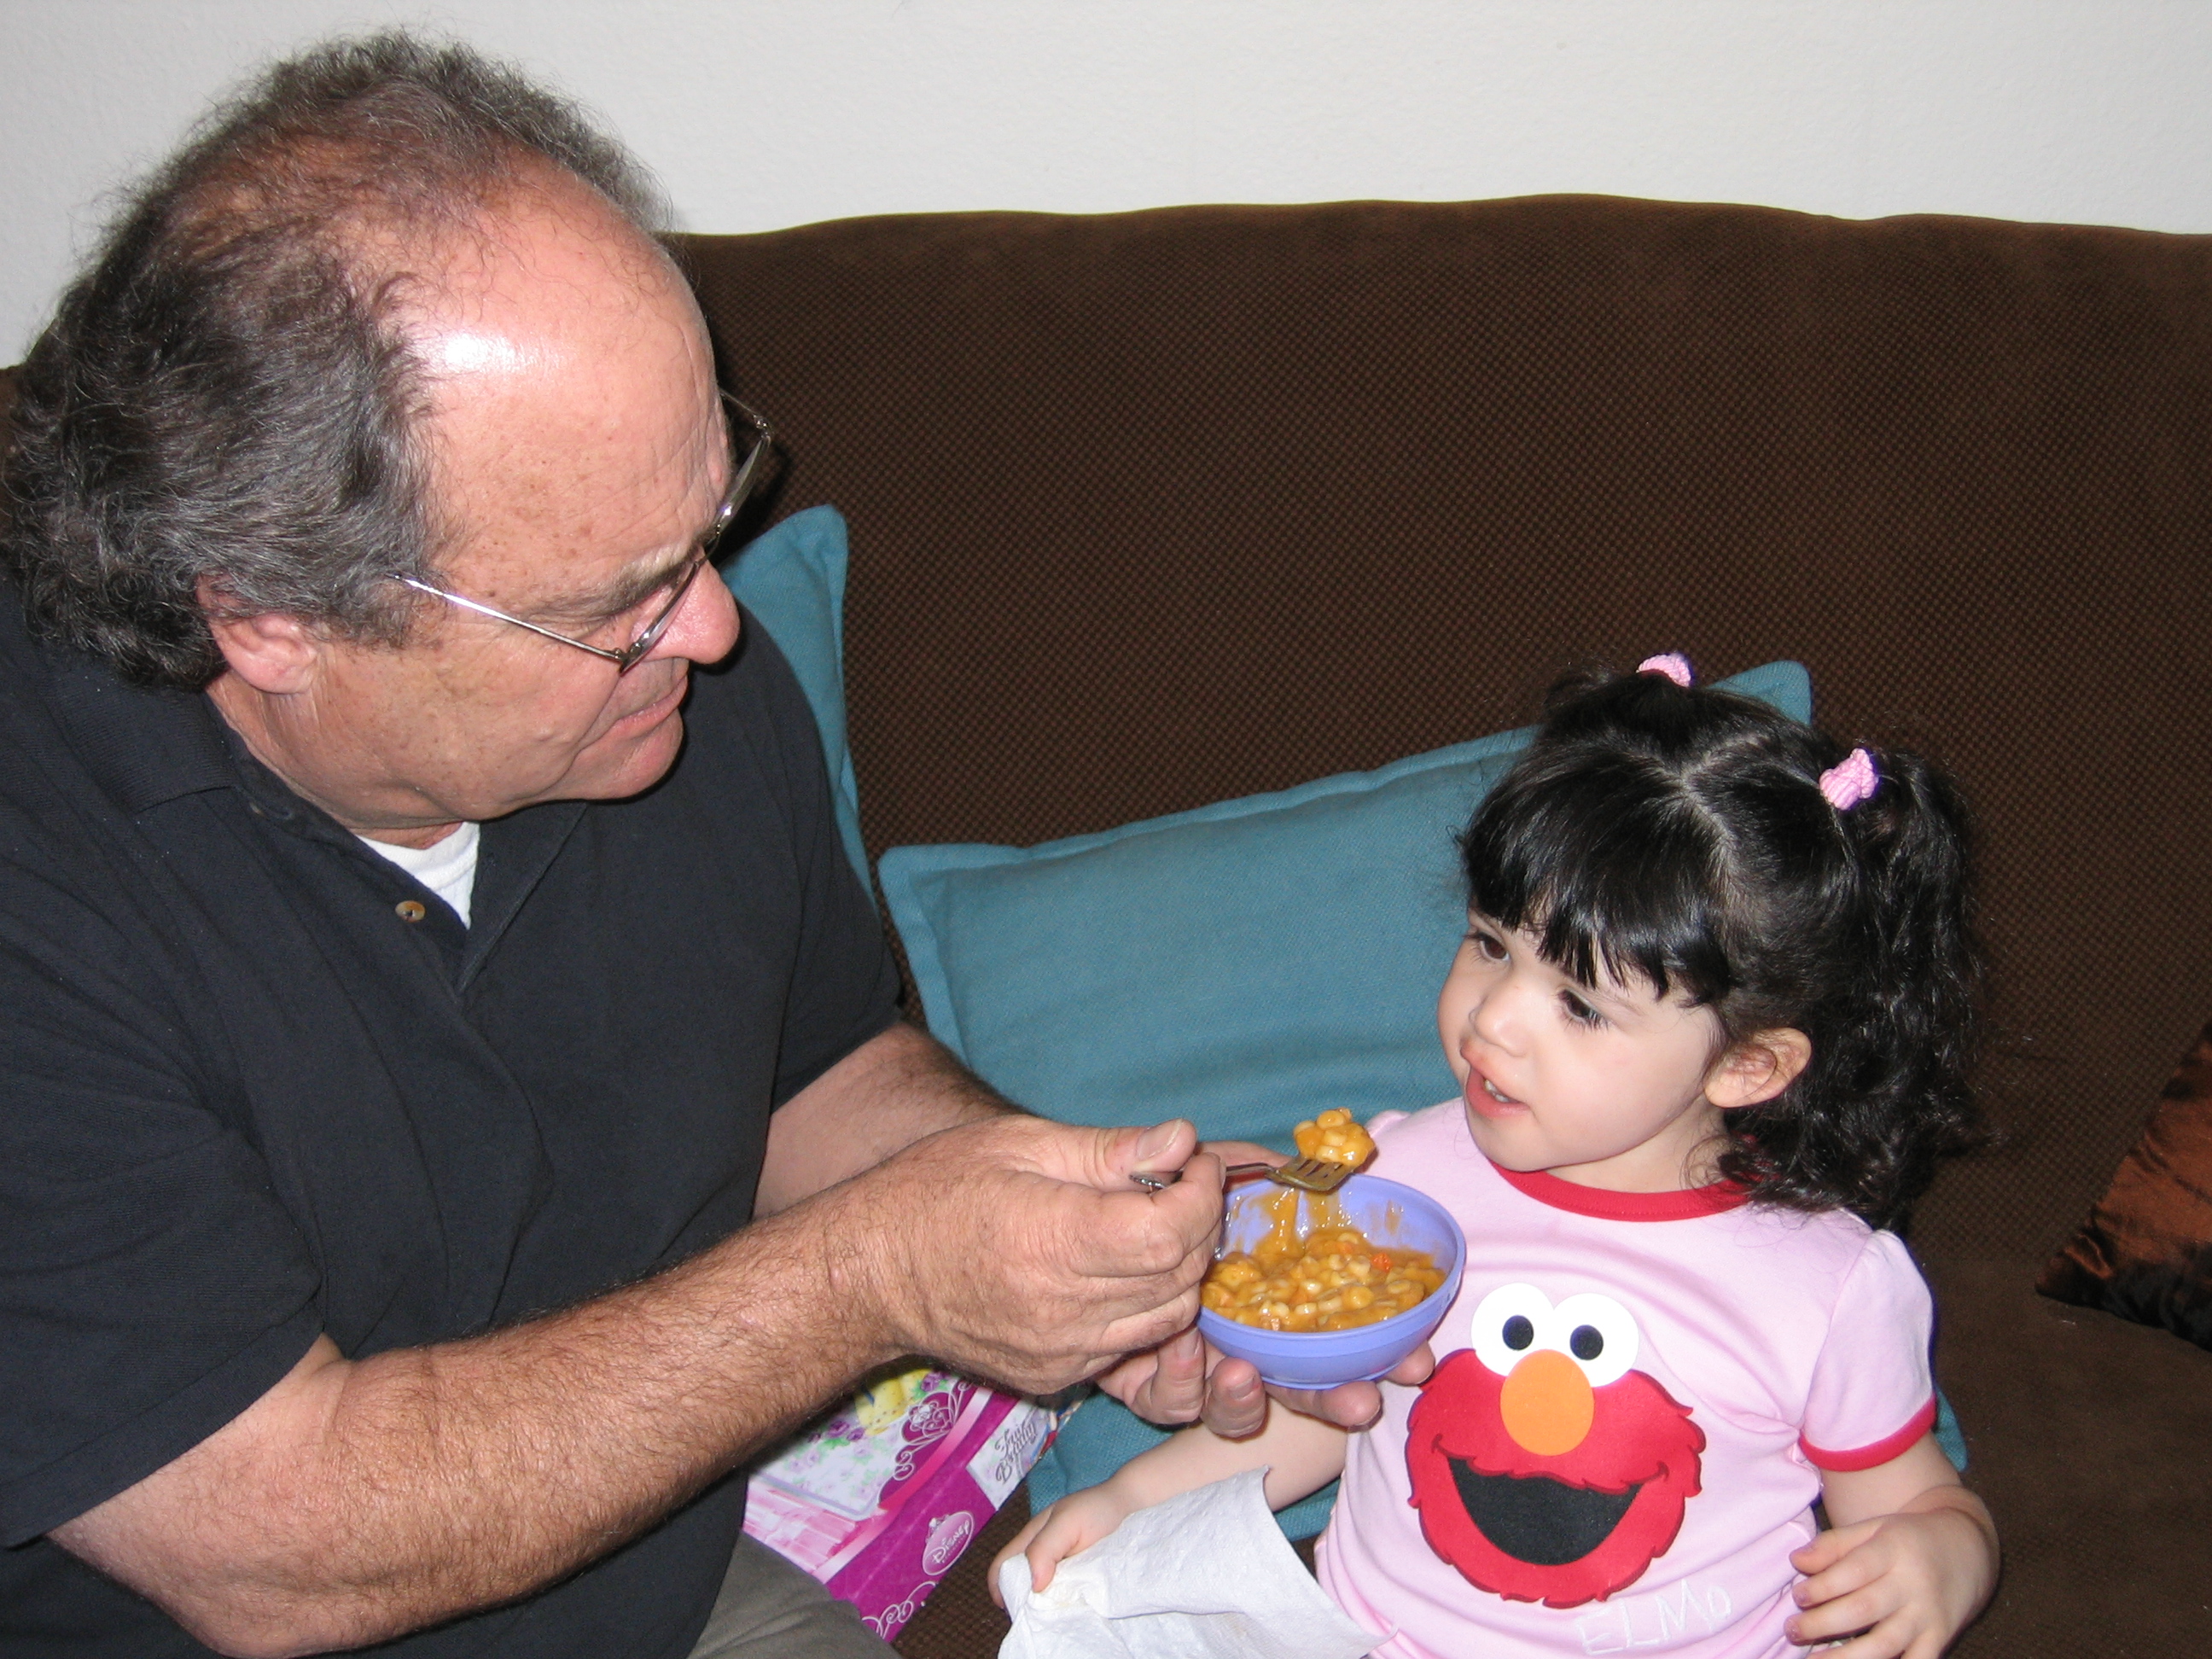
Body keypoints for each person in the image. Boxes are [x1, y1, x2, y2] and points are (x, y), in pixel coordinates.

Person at [0, 34, 1368, 1659]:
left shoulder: (669, 699)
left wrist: (1085, 1231)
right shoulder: (46, 867)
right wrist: (882, 1274)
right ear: (270, 616)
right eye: (616, 601)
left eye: (706, 525)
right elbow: (272, 1543)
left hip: (654, 1590)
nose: (714, 629)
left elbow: (814, 1069)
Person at [999, 657, 2002, 1659]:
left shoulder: (1826, 1288)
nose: (1493, 1020)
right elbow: (1339, 1413)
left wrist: (1944, 1555)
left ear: (1748, 1064)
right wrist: (1132, 1500)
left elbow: (1912, 1498)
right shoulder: (1392, 1187)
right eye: (1490, 944)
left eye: (1581, 1005)